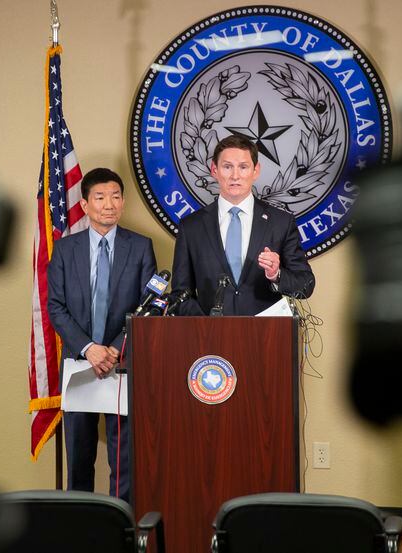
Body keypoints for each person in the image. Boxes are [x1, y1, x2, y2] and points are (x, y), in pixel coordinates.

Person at [47, 167, 157, 503]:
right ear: (85, 204)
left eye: (115, 196)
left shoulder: (140, 247)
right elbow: (55, 307)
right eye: (100, 197)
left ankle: (120, 529)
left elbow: (149, 306)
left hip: (121, 367)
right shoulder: (66, 250)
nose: (108, 204)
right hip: (79, 366)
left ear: (123, 202)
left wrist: (113, 349)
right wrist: (88, 348)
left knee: (123, 461)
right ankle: (80, 530)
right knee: (79, 459)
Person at [172, 134, 315, 316]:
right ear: (214, 170)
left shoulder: (281, 222)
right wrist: (205, 326)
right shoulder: (191, 226)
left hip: (267, 337)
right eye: (227, 167)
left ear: (256, 171)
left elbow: (305, 285)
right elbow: (180, 295)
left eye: (243, 167)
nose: (235, 176)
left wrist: (276, 275)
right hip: (209, 339)